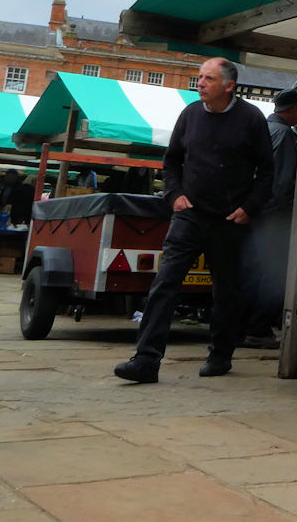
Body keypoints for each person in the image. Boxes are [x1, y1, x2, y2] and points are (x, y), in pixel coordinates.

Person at [114, 58, 272, 384]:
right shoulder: (189, 115)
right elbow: (171, 161)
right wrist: (174, 195)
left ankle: (220, 354)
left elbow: (267, 171)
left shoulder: (251, 119)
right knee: (165, 283)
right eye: (199, 77)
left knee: (227, 290)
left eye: (208, 79)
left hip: (230, 220)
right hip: (189, 215)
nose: (200, 83)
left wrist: (251, 207)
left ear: (229, 86)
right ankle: (146, 360)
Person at [241, 81, 297, 348]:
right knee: (277, 272)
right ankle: (259, 327)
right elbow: (283, 181)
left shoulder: (261, 130)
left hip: (252, 211)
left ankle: (243, 326)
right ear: (292, 110)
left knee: (252, 270)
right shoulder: (286, 136)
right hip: (274, 215)